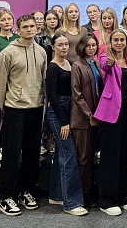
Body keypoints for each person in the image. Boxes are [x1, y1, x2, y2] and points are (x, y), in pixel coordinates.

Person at [0, 14, 47, 216]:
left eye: (32, 26)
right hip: (14, 109)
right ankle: (6, 196)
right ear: (18, 29)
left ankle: (26, 191)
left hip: (35, 108)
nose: (29, 29)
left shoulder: (41, 51)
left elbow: (43, 80)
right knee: (11, 154)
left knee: (32, 155)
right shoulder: (7, 53)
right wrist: (2, 107)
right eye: (25, 27)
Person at [94, 29, 127, 216]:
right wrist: (108, 64)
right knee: (110, 157)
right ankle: (107, 200)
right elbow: (104, 68)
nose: (119, 43)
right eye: (116, 40)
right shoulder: (106, 58)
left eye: (122, 40)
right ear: (110, 42)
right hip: (111, 112)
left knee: (126, 155)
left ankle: (123, 197)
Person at [45, 34, 88, 216]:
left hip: (70, 110)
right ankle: (71, 203)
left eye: (66, 44)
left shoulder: (69, 64)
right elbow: (52, 97)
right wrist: (63, 122)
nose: (64, 47)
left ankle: (56, 195)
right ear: (53, 47)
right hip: (58, 114)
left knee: (61, 154)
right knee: (69, 155)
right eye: (60, 45)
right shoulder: (52, 67)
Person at [71, 33, 102, 208]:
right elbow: (76, 94)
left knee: (91, 158)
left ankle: (90, 189)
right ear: (82, 47)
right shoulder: (77, 65)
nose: (91, 48)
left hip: (97, 117)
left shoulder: (96, 63)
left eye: (94, 45)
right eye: (88, 45)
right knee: (82, 158)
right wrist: (90, 115)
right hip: (83, 119)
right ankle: (83, 194)